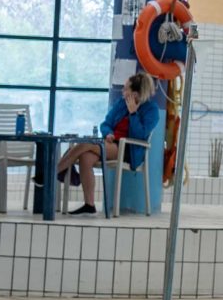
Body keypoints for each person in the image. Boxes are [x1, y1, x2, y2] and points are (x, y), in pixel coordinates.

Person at [57, 72, 161, 215]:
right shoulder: (120, 103)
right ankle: (89, 204)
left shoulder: (151, 110)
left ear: (136, 95)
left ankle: (52, 172)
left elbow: (140, 135)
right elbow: (106, 123)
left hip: (128, 149)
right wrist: (108, 133)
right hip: (111, 144)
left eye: (126, 89)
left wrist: (133, 114)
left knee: (84, 144)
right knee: (85, 157)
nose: (122, 92)